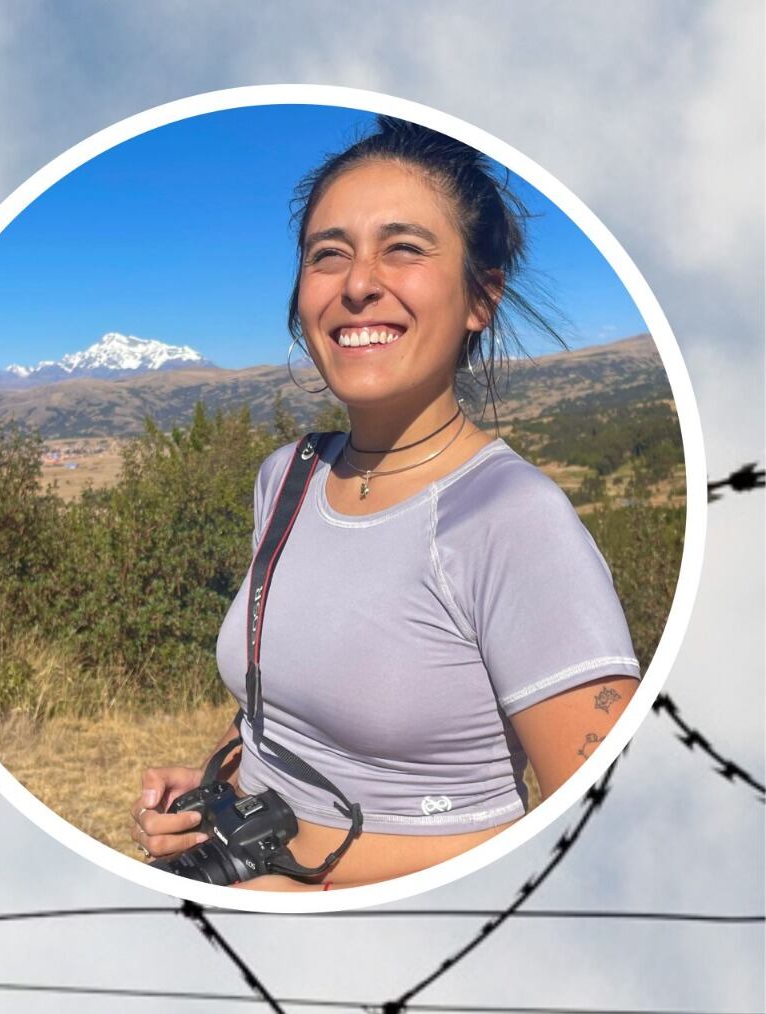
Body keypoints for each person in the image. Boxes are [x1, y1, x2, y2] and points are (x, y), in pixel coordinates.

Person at [131, 116, 641, 891]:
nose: (358, 281)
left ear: (481, 297)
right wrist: (221, 792)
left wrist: (307, 881)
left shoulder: (513, 520)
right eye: (327, 254)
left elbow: (605, 850)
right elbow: (301, 712)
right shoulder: (287, 477)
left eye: (403, 247)